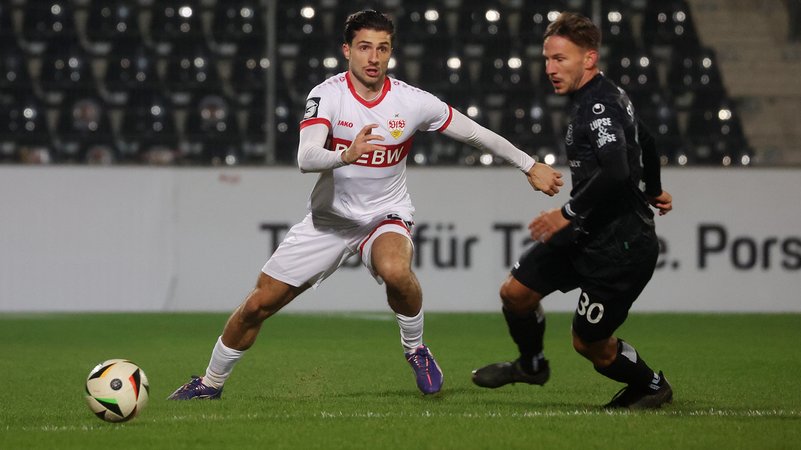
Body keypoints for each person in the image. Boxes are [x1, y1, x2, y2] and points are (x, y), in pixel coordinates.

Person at [168, 9, 563, 399]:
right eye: (364, 48)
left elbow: (475, 133)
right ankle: (209, 384)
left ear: (391, 52)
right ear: (347, 51)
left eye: (382, 48)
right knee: (257, 305)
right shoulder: (327, 95)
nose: (373, 58)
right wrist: (346, 154)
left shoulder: (411, 102)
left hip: (383, 216)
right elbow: (306, 157)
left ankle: (416, 349)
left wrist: (528, 165)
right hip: (328, 222)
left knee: (395, 269)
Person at [471, 12, 674, 409]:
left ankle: (652, 386)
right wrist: (654, 188)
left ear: (589, 59)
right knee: (516, 293)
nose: (549, 68)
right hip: (587, 234)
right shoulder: (605, 96)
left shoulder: (598, 106)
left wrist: (566, 212)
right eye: (546, 59)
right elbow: (646, 139)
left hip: (621, 249)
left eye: (560, 59)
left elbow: (616, 170)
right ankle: (532, 365)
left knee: (590, 344)